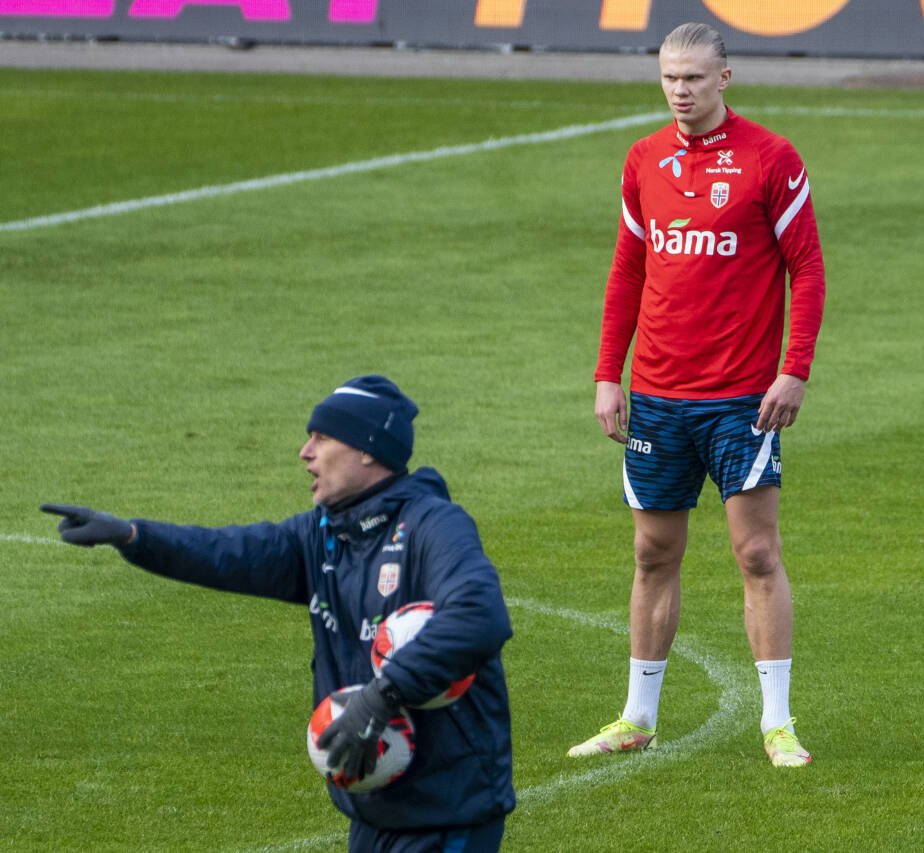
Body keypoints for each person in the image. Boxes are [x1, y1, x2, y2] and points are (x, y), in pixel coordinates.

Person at [41, 375, 515, 852]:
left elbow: (479, 616)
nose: (304, 452)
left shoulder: (433, 525)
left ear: (368, 449)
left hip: (449, 810)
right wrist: (133, 536)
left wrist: (382, 696)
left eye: (321, 437)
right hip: (375, 811)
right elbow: (227, 552)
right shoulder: (323, 536)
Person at [572, 22, 826, 767]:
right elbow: (628, 271)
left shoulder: (770, 159)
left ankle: (777, 723)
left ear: (725, 77)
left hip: (742, 399)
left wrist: (794, 368)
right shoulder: (643, 160)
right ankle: (636, 716)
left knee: (755, 551)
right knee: (653, 551)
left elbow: (805, 268)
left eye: (693, 78)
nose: (680, 91)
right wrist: (606, 373)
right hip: (655, 395)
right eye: (668, 79)